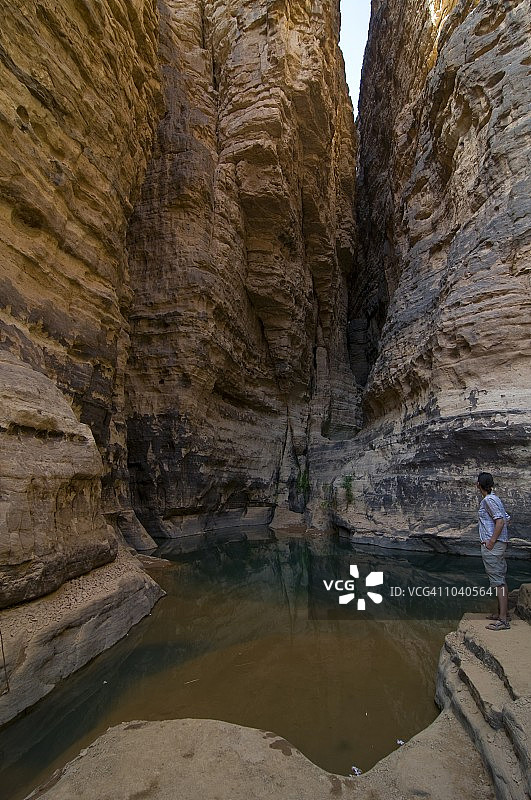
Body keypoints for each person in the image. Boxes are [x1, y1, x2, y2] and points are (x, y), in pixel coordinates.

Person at [477, 472, 511, 630]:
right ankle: (501, 613)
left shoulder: (488, 500)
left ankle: (503, 620)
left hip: (493, 546)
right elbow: (506, 518)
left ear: (478, 485)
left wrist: (491, 541)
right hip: (499, 544)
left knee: (498, 582)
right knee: (499, 579)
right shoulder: (495, 498)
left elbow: (500, 521)